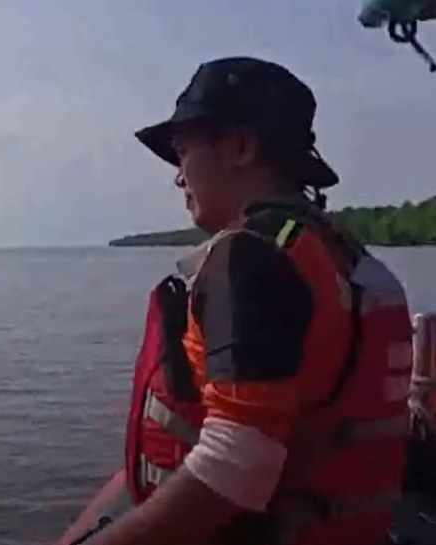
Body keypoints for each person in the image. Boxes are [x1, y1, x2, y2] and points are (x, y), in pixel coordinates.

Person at [58, 56, 415, 545]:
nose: (178, 178)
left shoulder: (250, 259)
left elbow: (235, 466)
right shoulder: (344, 258)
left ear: (241, 148)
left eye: (182, 152)